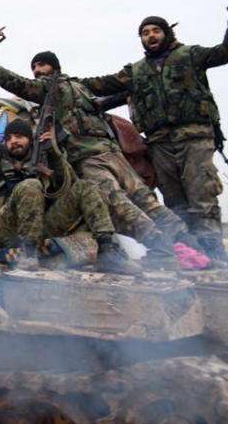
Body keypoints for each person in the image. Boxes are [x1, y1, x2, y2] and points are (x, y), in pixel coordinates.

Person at [0, 43, 195, 263]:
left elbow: (19, 84)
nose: (36, 71)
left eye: (41, 65)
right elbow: (112, 84)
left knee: (117, 201)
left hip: (87, 156)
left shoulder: (51, 89)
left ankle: (160, 247)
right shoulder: (84, 86)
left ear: (53, 67)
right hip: (111, 151)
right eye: (33, 66)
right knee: (144, 199)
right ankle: (189, 242)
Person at [78, 13, 228, 261]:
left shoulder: (190, 55)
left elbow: (224, 53)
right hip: (159, 143)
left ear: (166, 33)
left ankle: (215, 255)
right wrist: (65, 83)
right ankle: (191, 253)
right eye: (145, 33)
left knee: (201, 194)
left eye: (155, 31)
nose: (151, 36)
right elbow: (103, 84)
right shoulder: (136, 71)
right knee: (174, 200)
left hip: (194, 137)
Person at [0, 119, 141, 274]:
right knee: (30, 185)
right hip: (6, 225)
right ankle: (28, 254)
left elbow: (66, 183)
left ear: (30, 139)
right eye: (10, 138)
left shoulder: (45, 156)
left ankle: (109, 252)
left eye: (19, 136)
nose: (14, 141)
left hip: (42, 224)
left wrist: (52, 153)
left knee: (86, 187)